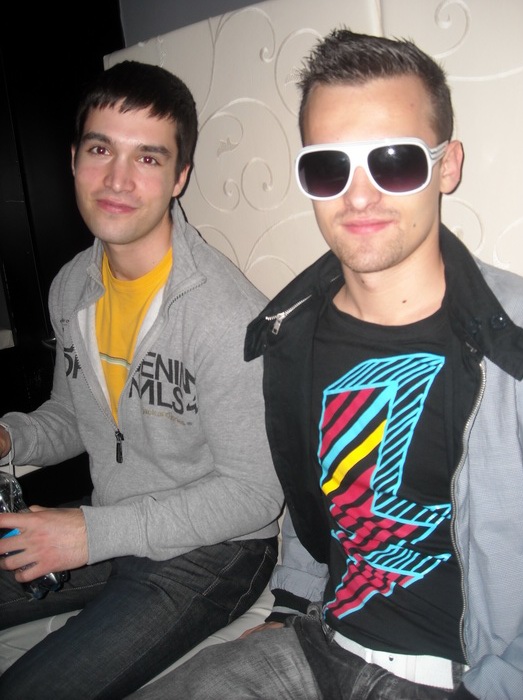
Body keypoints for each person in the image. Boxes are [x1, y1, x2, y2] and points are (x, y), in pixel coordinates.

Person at [126, 28, 523, 700]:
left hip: (464, 679)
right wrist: (288, 607)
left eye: (394, 161)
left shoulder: (512, 342)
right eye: (328, 166)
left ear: (446, 166)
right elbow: (322, 503)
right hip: (318, 644)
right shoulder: (291, 333)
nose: (358, 195)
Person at [0, 60, 283, 699]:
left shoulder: (228, 316)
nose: (118, 180)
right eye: (101, 150)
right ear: (75, 160)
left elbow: (253, 495)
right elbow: (75, 414)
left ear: (180, 177)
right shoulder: (72, 285)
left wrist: (89, 533)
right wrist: (11, 439)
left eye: (148, 158)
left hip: (217, 553)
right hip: (115, 519)